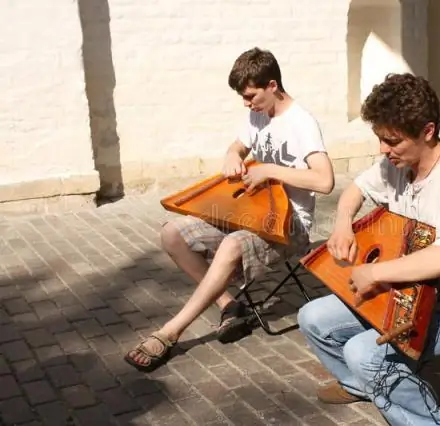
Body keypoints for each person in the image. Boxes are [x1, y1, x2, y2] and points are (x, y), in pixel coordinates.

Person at [297, 73, 440, 426]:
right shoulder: (396, 164)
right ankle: (359, 385)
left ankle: (426, 422)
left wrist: (374, 272)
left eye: (392, 141)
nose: (383, 150)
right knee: (312, 318)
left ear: (428, 131)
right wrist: (343, 222)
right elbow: (355, 191)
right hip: (402, 293)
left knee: (363, 353)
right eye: (380, 139)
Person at [124, 47, 335, 372]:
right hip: (248, 213)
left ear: (273, 85)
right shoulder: (257, 114)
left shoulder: (301, 122)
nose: (247, 103)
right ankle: (229, 304)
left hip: (289, 227)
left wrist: (270, 170)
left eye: (251, 95)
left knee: (231, 244)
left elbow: (325, 180)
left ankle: (170, 332)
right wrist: (232, 155)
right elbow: (238, 145)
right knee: (172, 234)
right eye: (243, 97)